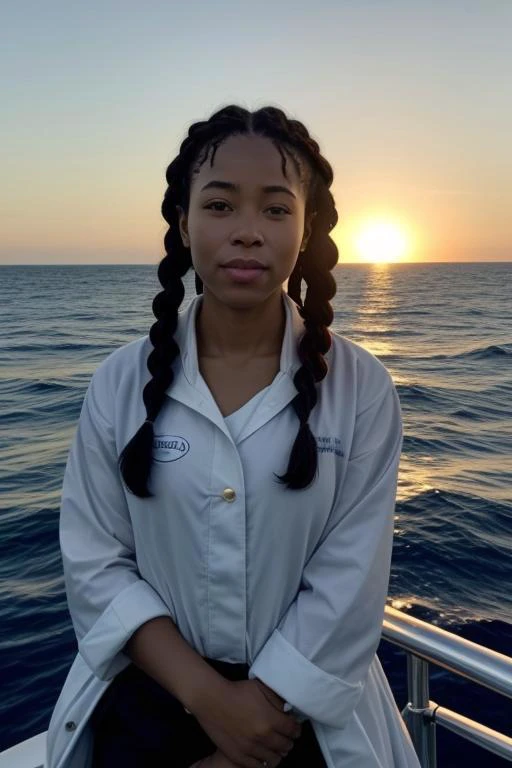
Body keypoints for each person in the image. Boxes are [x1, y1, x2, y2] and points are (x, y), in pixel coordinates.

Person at [46, 104, 422, 768]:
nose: (247, 232)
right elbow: (95, 562)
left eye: (276, 209)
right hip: (149, 704)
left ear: (306, 230)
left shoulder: (361, 389)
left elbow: (350, 581)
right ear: (183, 223)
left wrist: (254, 726)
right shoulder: (118, 382)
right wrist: (212, 701)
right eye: (220, 206)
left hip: (299, 721)